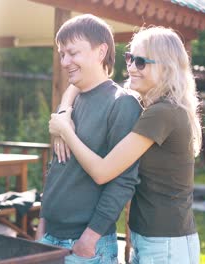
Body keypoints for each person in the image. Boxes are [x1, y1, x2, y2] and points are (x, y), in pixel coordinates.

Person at [49, 26, 202, 264]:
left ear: (166, 67)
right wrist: (65, 109)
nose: (131, 67)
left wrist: (65, 131)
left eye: (141, 62)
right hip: (153, 236)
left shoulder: (162, 113)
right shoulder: (159, 106)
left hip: (166, 242)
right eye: (130, 58)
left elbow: (102, 172)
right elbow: (80, 84)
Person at [36, 14, 142, 263]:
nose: (65, 61)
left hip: (85, 247)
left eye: (73, 53)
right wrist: (43, 222)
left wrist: (90, 239)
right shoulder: (71, 104)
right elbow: (57, 169)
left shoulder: (122, 104)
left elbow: (124, 181)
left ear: (101, 51)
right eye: (62, 54)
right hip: (49, 237)